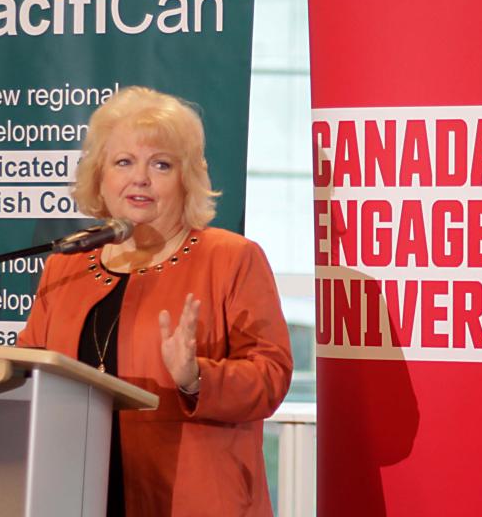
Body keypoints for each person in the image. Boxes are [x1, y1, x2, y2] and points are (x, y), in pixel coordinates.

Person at [18, 86, 293, 516]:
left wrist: (195, 376)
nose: (140, 178)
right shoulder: (67, 266)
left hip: (192, 498)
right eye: (123, 162)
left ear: (187, 179)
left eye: (161, 164)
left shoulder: (230, 258)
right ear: (100, 178)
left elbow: (271, 377)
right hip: (75, 490)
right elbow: (29, 370)